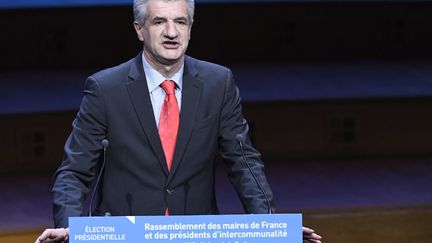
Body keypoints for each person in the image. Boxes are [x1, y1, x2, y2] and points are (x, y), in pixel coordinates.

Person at [35, 0, 322, 242]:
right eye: (159, 22)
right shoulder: (105, 89)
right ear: (139, 29)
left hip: (195, 234)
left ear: (190, 28)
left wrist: (269, 225)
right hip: (124, 236)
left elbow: (243, 161)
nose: (172, 32)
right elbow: (75, 170)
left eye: (181, 22)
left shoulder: (218, 83)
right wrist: (70, 226)